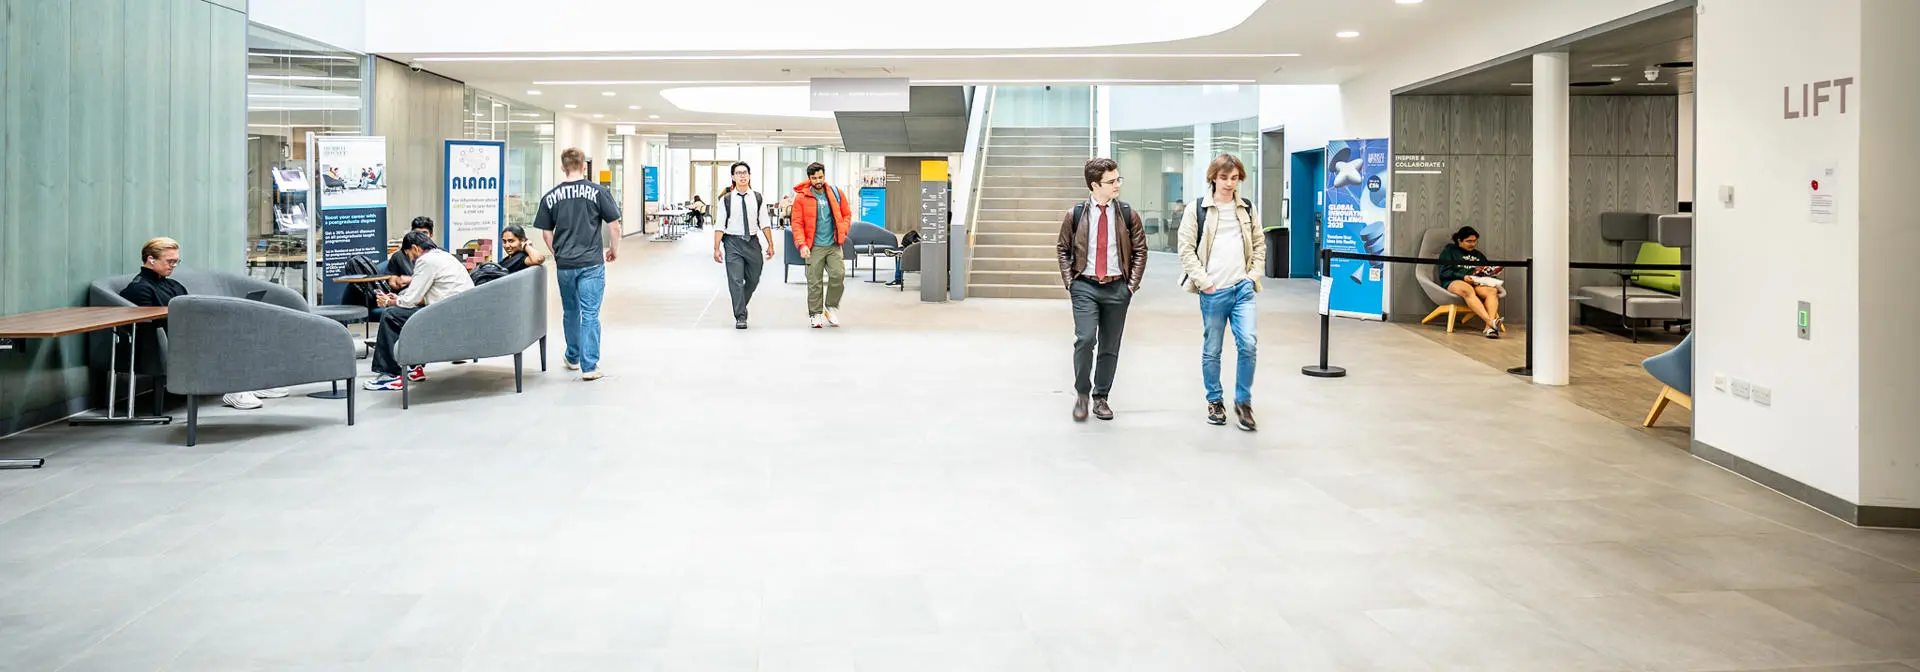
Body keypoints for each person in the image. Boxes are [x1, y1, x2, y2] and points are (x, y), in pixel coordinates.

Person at [119, 237, 289, 410]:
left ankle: (254, 382)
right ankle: (234, 388)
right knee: (227, 335)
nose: (173, 266)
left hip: (189, 331)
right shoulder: (139, 289)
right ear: (151, 259)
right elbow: (151, 324)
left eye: (176, 262)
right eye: (169, 261)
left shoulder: (173, 284)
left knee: (242, 328)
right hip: (174, 340)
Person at [1177, 154, 1265, 431]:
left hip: (1243, 288)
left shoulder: (1247, 208)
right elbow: (1186, 249)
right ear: (1213, 177)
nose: (1229, 183)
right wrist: (1205, 283)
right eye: (1224, 177)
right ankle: (1215, 401)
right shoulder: (1197, 209)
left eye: (1235, 178)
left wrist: (1252, 277)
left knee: (1248, 344)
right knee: (1212, 349)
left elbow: (1260, 244)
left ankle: (1243, 402)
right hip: (1213, 291)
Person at [1056, 157, 1147, 422]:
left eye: (1118, 179)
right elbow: (1062, 249)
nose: (1117, 184)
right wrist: (1070, 282)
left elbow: (1140, 251)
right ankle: (1082, 395)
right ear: (1095, 185)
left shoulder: (1128, 214)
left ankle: (1101, 398)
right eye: (1111, 181)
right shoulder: (1075, 214)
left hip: (1118, 288)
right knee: (1085, 340)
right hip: (1084, 286)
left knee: (1110, 346)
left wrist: (1131, 287)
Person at [533, 147, 622, 380]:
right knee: (590, 313)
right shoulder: (598, 192)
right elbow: (614, 226)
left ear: (562, 167)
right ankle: (590, 367)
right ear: (585, 166)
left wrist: (558, 253)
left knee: (571, 310)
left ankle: (572, 356)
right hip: (591, 262)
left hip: (565, 264)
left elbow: (545, 233)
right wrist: (613, 250)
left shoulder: (550, 196)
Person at [363, 231, 475, 391]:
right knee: (406, 313)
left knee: (391, 316)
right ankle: (415, 367)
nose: (410, 259)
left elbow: (409, 301)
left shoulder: (426, 261)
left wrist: (388, 302)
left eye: (409, 255)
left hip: (445, 316)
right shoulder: (445, 257)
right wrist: (398, 299)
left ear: (415, 248)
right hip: (458, 313)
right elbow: (430, 295)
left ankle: (391, 375)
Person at [713, 161, 775, 329]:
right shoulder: (726, 200)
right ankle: (740, 315)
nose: (742, 176)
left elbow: (764, 222)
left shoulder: (757, 197)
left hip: (753, 242)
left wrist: (770, 244)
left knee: (754, 278)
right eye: (738, 173)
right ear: (733, 177)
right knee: (736, 280)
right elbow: (720, 225)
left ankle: (740, 303)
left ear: (749, 176)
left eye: (745, 172)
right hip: (732, 242)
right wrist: (716, 248)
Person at [791, 162, 852, 328]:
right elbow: (796, 223)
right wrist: (801, 244)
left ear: (824, 176)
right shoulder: (802, 197)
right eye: (814, 178)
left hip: (833, 244)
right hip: (813, 246)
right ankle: (815, 314)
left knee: (838, 275)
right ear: (809, 178)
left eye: (820, 177)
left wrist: (843, 229)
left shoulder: (835, 193)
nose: (818, 180)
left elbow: (846, 214)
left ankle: (830, 307)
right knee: (814, 281)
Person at [1436, 225, 1504, 339]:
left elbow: (1484, 269)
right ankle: (1491, 321)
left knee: (1492, 291)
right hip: (1455, 281)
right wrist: (1463, 277)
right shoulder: (1449, 251)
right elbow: (1444, 272)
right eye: (1469, 241)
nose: (1472, 244)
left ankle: (1489, 328)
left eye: (1474, 241)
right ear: (1459, 240)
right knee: (1467, 290)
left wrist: (1489, 273)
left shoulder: (1478, 255)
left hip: (1476, 282)